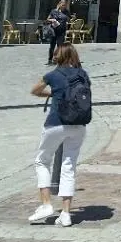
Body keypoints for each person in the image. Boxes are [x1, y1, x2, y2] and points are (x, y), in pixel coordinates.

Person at [29, 44, 92, 227]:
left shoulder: (53, 75)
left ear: (57, 56)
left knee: (42, 161)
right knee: (69, 166)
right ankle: (65, 213)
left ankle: (46, 204)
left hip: (56, 123)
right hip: (79, 125)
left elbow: (34, 90)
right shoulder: (83, 75)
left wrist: (52, 93)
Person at [45, 0, 70, 65]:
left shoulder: (66, 12)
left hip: (62, 31)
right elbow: (47, 19)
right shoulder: (54, 11)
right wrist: (52, 20)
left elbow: (68, 19)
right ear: (59, 4)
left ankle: (58, 60)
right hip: (54, 30)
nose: (64, 6)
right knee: (52, 46)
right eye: (63, 5)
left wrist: (72, 19)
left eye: (65, 5)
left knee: (60, 46)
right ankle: (50, 59)